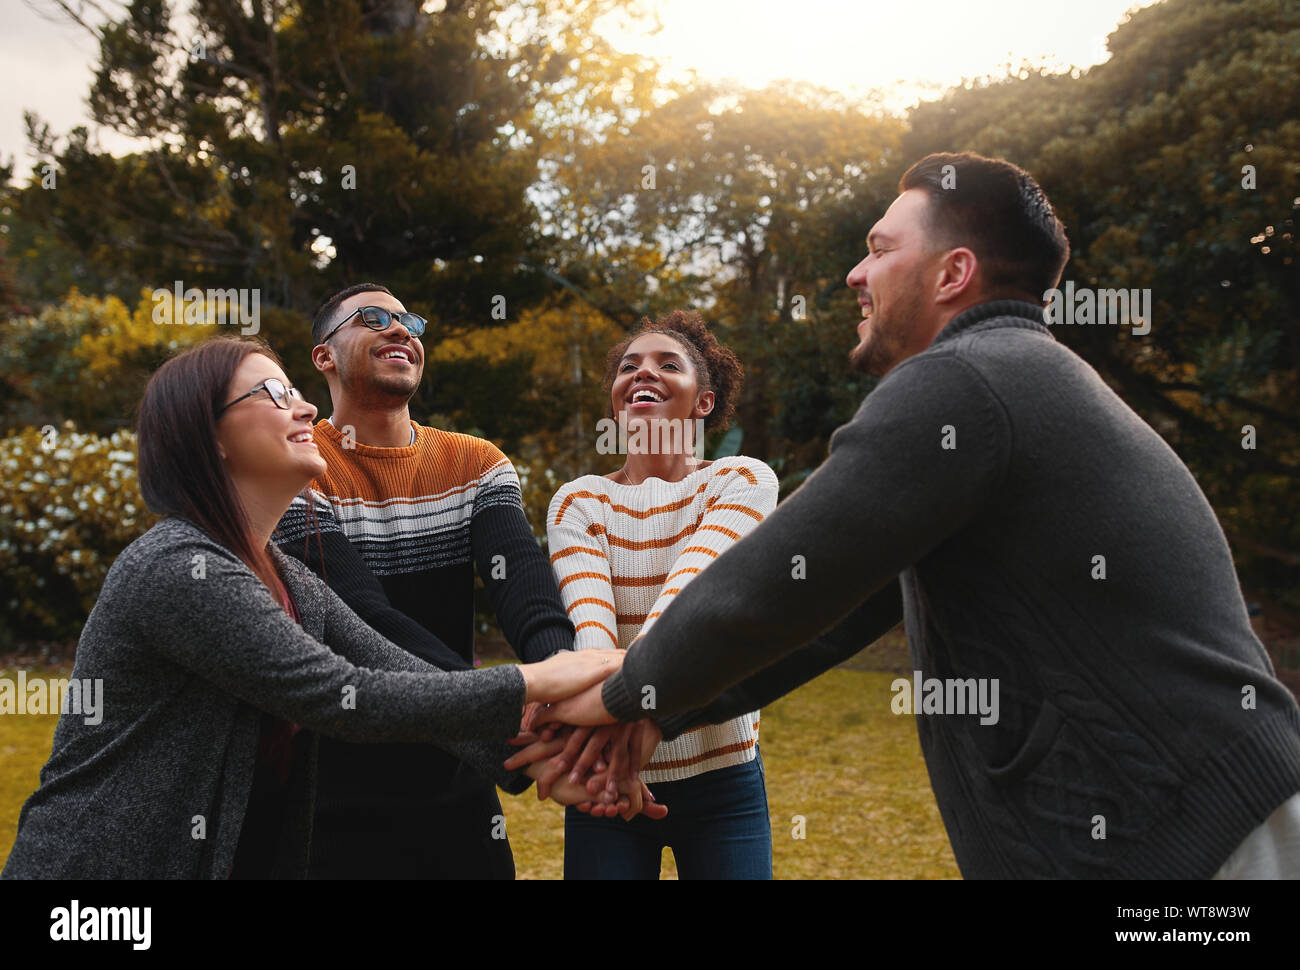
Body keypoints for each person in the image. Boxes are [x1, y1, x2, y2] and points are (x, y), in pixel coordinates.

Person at [548, 152, 1300, 879]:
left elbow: (768, 589)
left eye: (879, 249)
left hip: (1205, 839)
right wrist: (654, 710)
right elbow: (824, 614)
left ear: (953, 273)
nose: (855, 273)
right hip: (1205, 824)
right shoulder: (1013, 378)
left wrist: (621, 698)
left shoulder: (968, 380)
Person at [0, 337, 625, 880]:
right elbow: (340, 694)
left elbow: (403, 673)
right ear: (207, 436)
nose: (302, 406)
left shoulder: (292, 579)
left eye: (294, 389)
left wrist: (543, 759)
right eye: (270, 394)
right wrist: (535, 679)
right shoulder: (178, 567)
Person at [271, 283, 583, 878]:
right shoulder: (302, 466)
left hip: (458, 790)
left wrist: (562, 684)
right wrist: (506, 713)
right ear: (324, 357)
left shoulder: (477, 463)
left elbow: (520, 583)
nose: (401, 331)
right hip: (337, 790)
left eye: (409, 321)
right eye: (373, 319)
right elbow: (363, 618)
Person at [542, 311, 777, 879]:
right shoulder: (578, 504)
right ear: (617, 404)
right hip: (605, 781)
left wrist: (617, 711)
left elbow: (687, 606)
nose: (642, 372)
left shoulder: (741, 482)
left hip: (723, 778)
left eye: (667, 364)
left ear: (704, 403)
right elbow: (592, 638)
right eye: (630, 366)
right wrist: (614, 741)